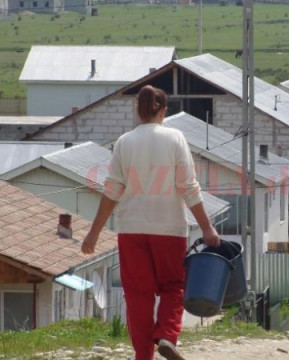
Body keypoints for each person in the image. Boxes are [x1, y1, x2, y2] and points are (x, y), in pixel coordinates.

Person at [81, 85, 220, 360]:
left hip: (131, 230)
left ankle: (143, 355)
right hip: (169, 230)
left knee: (138, 296)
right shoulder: (175, 139)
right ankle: (167, 336)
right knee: (173, 286)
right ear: (164, 111)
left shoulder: (124, 142)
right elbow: (188, 187)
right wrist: (207, 228)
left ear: (138, 111)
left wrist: (93, 233)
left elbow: (111, 191)